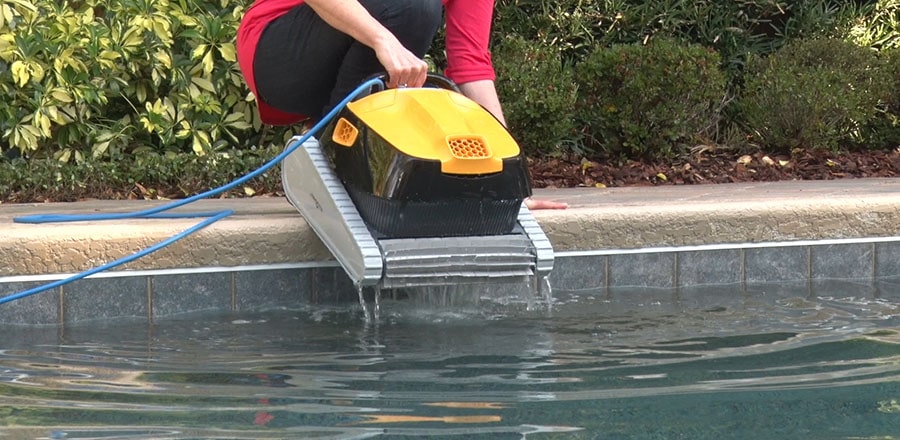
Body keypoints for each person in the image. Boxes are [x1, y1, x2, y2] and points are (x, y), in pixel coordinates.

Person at [236, 0, 567, 209]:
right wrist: (383, 41)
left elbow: (471, 66)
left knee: (414, 8)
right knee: (414, 6)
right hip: (279, 53)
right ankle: (334, 161)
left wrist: (509, 186)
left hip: (346, 59)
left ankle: (339, 151)